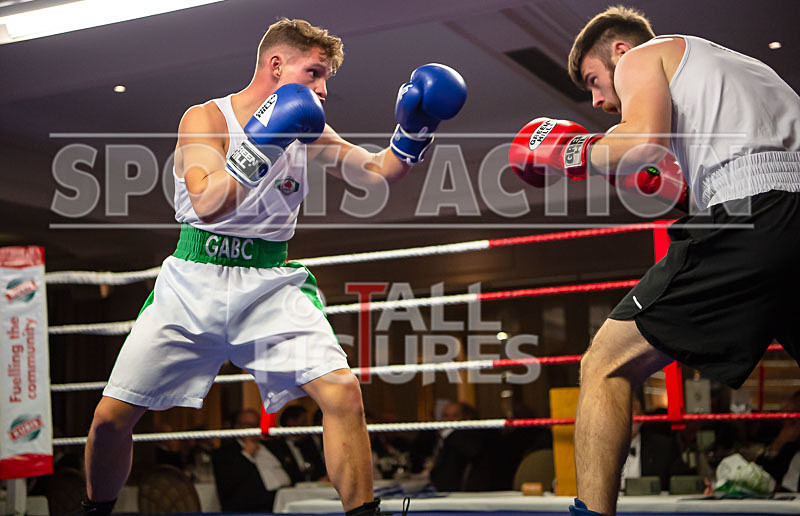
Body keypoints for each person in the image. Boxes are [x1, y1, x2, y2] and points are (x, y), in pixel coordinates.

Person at [81, 18, 466, 516]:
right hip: (194, 276)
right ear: (276, 64)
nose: (324, 90)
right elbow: (206, 203)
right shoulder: (205, 118)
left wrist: (415, 128)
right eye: (315, 74)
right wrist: (263, 140)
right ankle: (95, 510)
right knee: (111, 418)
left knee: (343, 392)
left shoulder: (307, 126)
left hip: (268, 282)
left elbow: (375, 175)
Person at [508, 5, 800, 515]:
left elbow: (643, 142)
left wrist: (569, 150)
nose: (598, 99)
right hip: (782, 218)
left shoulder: (641, 56)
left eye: (595, 80)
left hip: (753, 217)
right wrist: (675, 187)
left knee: (604, 363)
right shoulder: (752, 71)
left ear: (619, 51)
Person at [212, 409, 292, 512]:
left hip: (287, 498)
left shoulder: (272, 446)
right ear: (237, 427)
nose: (252, 429)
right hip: (258, 508)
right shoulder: (224, 453)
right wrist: (246, 455)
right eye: (247, 425)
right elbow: (227, 486)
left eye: (255, 425)